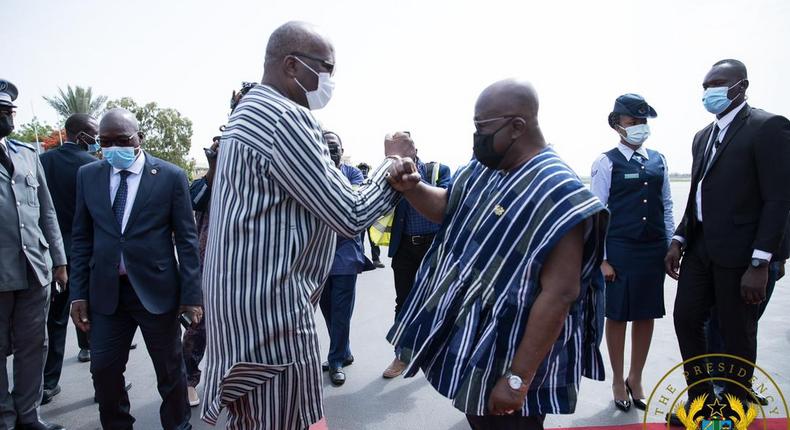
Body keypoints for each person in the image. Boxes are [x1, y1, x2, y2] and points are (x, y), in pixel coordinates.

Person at [200, 21, 416, 430]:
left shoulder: (246, 113)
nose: (331, 81)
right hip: (272, 320)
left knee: (255, 419)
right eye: (327, 69)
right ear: (292, 66)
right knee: (286, 420)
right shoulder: (285, 118)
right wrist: (392, 162)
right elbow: (349, 213)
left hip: (242, 312)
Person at [386, 79, 609, 430]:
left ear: (517, 126)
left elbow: (560, 293)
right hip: (478, 341)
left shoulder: (559, 191)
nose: (477, 137)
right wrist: (412, 188)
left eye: (481, 127)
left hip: (513, 353)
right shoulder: (485, 167)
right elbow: (449, 207)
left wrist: (518, 378)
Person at [665, 59, 790, 417]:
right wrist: (679, 238)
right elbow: (698, 196)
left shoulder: (768, 128)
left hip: (743, 254)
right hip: (701, 247)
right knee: (686, 318)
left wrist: (760, 262)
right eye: (705, 86)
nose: (710, 92)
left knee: (736, 332)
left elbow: (779, 200)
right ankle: (701, 399)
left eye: (718, 84)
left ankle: (734, 405)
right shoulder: (702, 136)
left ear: (742, 86)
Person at [69, 108, 203, 429]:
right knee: (104, 370)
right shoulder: (89, 175)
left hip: (157, 291)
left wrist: (192, 296)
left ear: (139, 138)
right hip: (106, 294)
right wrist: (77, 295)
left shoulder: (170, 177)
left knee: (170, 372)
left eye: (122, 140)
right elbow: (81, 238)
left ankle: (177, 426)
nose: (114, 147)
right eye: (105, 141)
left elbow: (186, 240)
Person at [589, 94, 673, 413]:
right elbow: (598, 213)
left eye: (642, 121)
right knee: (618, 316)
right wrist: (602, 258)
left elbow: (666, 205)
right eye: (632, 121)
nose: (639, 126)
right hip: (620, 250)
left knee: (646, 314)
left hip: (652, 250)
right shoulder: (606, 162)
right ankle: (616, 379)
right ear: (617, 124)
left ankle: (635, 378)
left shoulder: (659, 160)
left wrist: (670, 245)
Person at [0, 79, 67, 430]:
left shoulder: (26, 154)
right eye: (2, 110)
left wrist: (59, 260)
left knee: (34, 345)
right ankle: (4, 419)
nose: (8, 116)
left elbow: (47, 211)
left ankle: (28, 415)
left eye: (9, 110)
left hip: (34, 268)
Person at [38, 113, 99, 405]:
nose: (98, 139)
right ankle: (105, 384)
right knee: (97, 314)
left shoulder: (43, 162)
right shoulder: (93, 166)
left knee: (57, 318)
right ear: (81, 135)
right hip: (86, 251)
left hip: (55, 253)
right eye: (94, 133)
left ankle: (49, 383)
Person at [381, 133, 451, 379]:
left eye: (403, 144)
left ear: (414, 147)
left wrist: (414, 179)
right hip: (405, 248)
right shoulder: (390, 172)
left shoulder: (438, 170)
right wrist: (392, 163)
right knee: (404, 301)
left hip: (435, 248)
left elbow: (447, 199)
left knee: (440, 302)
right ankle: (402, 355)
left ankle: (439, 355)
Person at [319, 131, 367, 386]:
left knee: (340, 311)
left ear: (342, 149)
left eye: (335, 147)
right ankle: (343, 351)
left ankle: (336, 360)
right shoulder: (314, 172)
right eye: (326, 147)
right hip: (319, 253)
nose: (332, 151)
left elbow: (351, 201)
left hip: (346, 253)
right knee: (328, 309)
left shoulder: (353, 174)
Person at [181, 136, 220, 408]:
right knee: (198, 327)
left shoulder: (249, 177)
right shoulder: (205, 182)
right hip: (207, 265)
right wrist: (214, 164)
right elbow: (195, 200)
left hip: (242, 268)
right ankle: (188, 381)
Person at [356, 162, 385, 268]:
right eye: (361, 168)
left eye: (365, 169)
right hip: (360, 215)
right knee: (360, 239)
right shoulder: (356, 181)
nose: (363, 170)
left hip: (372, 214)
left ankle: (376, 259)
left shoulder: (371, 182)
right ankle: (361, 259)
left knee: (374, 238)